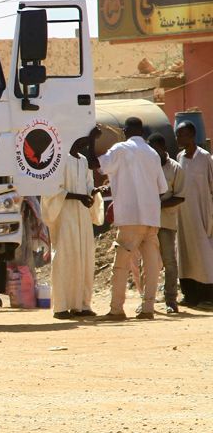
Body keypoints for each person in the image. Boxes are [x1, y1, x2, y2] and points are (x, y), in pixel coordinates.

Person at [87, 118, 168, 320]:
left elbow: (96, 164)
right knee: (151, 266)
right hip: (151, 218)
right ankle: (148, 308)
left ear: (125, 131)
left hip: (130, 217)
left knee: (121, 265)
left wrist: (90, 141)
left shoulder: (120, 149)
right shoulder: (152, 153)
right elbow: (162, 188)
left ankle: (116, 309)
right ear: (142, 131)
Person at [42, 137, 99, 319]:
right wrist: (77, 196)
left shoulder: (83, 161)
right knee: (65, 258)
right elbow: (51, 191)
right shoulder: (58, 159)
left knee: (83, 257)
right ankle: (61, 306)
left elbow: (88, 186)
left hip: (82, 216)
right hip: (64, 215)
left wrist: (94, 192)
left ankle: (81, 304)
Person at [174, 121, 213, 309]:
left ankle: (208, 296)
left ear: (192, 135)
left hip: (202, 213)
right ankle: (190, 294)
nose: (178, 138)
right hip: (183, 215)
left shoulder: (205, 158)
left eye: (181, 134)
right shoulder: (179, 157)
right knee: (186, 253)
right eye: (177, 135)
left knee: (204, 253)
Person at [150, 133, 186, 313]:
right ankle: (147, 299)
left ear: (163, 148)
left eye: (156, 150)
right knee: (148, 262)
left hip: (166, 221)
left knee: (169, 261)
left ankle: (171, 300)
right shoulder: (147, 166)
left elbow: (179, 196)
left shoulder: (175, 168)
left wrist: (158, 204)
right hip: (148, 221)